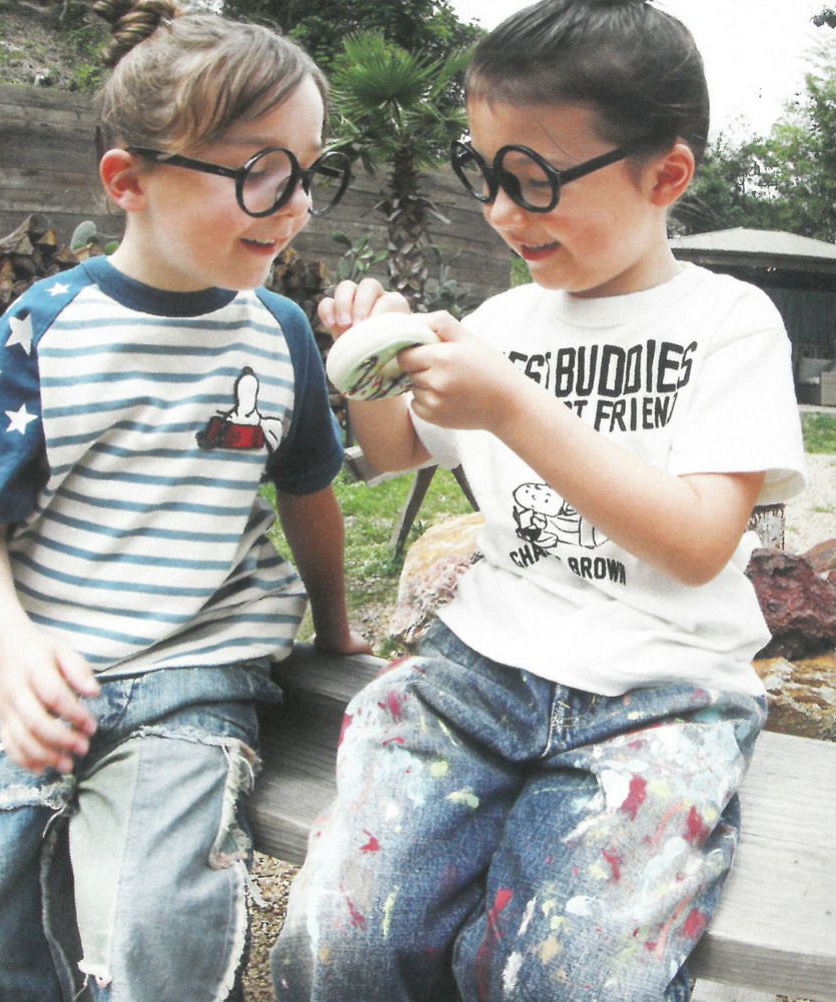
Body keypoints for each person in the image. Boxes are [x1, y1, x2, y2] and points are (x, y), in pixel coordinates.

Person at [271, 1, 806, 1000]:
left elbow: (699, 542)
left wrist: (514, 406)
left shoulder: (730, 323)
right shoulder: (504, 320)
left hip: (661, 698)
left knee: (569, 975)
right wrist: (371, 359)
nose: (502, 212)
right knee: (345, 941)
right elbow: (393, 452)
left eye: (535, 180)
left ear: (665, 176)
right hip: (478, 674)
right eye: (485, 174)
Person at [0, 2, 369, 999]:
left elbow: (309, 493)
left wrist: (335, 629)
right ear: (129, 181)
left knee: (162, 927)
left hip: (194, 670)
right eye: (261, 171)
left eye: (307, 171)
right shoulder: (46, 329)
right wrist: (15, 651)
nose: (294, 204)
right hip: (28, 667)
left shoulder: (280, 331)